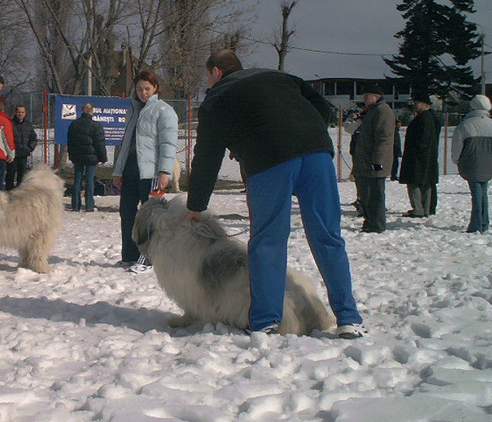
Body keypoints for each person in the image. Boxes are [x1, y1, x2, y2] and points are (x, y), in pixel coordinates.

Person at [185, 49, 366, 339]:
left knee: (268, 240)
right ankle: (349, 319)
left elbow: (207, 156)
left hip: (269, 162)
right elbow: (324, 109)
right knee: (328, 236)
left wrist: (195, 205)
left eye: (208, 76)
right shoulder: (282, 78)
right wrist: (298, 132)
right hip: (316, 153)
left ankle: (266, 321)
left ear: (216, 72)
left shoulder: (218, 97)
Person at [112, 70, 178, 273]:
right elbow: (126, 143)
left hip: (151, 174)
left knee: (150, 217)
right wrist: (118, 170)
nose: (143, 92)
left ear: (155, 88)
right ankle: (129, 255)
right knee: (128, 213)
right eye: (140, 88)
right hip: (131, 171)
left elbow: (168, 144)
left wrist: (165, 171)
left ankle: (148, 257)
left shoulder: (164, 111)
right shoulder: (133, 110)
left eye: (147, 88)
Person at [352, 84, 396, 233]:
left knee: (375, 196)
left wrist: (378, 160)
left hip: (375, 163)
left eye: (367, 96)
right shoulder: (371, 111)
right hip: (365, 162)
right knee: (366, 195)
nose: (364, 99)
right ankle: (369, 222)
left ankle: (376, 225)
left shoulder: (383, 112)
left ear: (376, 97)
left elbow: (384, 138)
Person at [451, 94, 492, 233]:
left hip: (471, 163)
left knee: (476, 194)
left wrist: (456, 160)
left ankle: (476, 224)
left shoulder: (465, 124)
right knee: (483, 193)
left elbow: (457, 147)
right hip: (489, 165)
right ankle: (484, 222)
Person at [398, 93, 441, 218]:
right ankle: (426, 208)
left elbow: (423, 139)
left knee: (415, 182)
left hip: (418, 157)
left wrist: (415, 150)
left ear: (425, 105)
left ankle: (418, 209)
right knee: (425, 182)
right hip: (427, 156)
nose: (415, 105)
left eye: (417, 102)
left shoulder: (424, 119)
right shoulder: (431, 118)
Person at [67, 102, 108, 212]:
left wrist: (71, 155)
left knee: (77, 180)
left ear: (82, 110)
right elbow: (99, 143)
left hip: (78, 156)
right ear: (92, 111)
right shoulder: (96, 126)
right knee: (90, 181)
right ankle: (89, 205)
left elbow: (70, 142)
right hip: (91, 157)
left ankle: (76, 205)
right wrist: (103, 158)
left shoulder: (74, 124)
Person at [6, 105, 38, 190]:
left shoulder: (28, 125)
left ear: (25, 113)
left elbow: (34, 138)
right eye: (18, 112)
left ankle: (20, 195)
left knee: (22, 177)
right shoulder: (10, 124)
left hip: (23, 155)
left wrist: (29, 148)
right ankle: (9, 193)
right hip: (12, 155)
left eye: (22, 112)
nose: (20, 114)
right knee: (10, 175)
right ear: (15, 113)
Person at [0, 100, 15, 190]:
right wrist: (11, 155)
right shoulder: (4, 120)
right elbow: (8, 139)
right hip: (0, 155)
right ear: (3, 110)